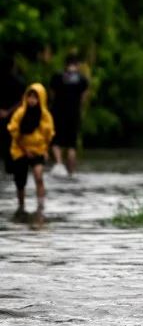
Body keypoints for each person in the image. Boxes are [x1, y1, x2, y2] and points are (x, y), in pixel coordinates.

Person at [7, 83, 54, 216]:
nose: (32, 100)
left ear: (41, 99)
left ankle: (40, 206)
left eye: (35, 97)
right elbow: (13, 131)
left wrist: (45, 151)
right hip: (20, 150)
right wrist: (25, 150)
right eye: (30, 96)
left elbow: (49, 135)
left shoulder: (45, 116)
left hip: (38, 150)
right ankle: (21, 206)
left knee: (39, 176)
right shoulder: (20, 113)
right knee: (20, 182)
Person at [48, 53, 90, 177]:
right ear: (77, 65)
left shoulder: (57, 77)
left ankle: (59, 164)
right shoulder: (82, 79)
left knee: (56, 141)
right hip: (74, 114)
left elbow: (52, 94)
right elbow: (84, 97)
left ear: (65, 64)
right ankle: (71, 173)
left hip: (57, 113)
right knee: (72, 145)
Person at [1, 54, 26, 184]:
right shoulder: (19, 81)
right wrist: (8, 111)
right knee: (12, 143)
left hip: (6, 117)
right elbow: (23, 101)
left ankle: (8, 171)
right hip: (14, 117)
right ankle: (11, 171)